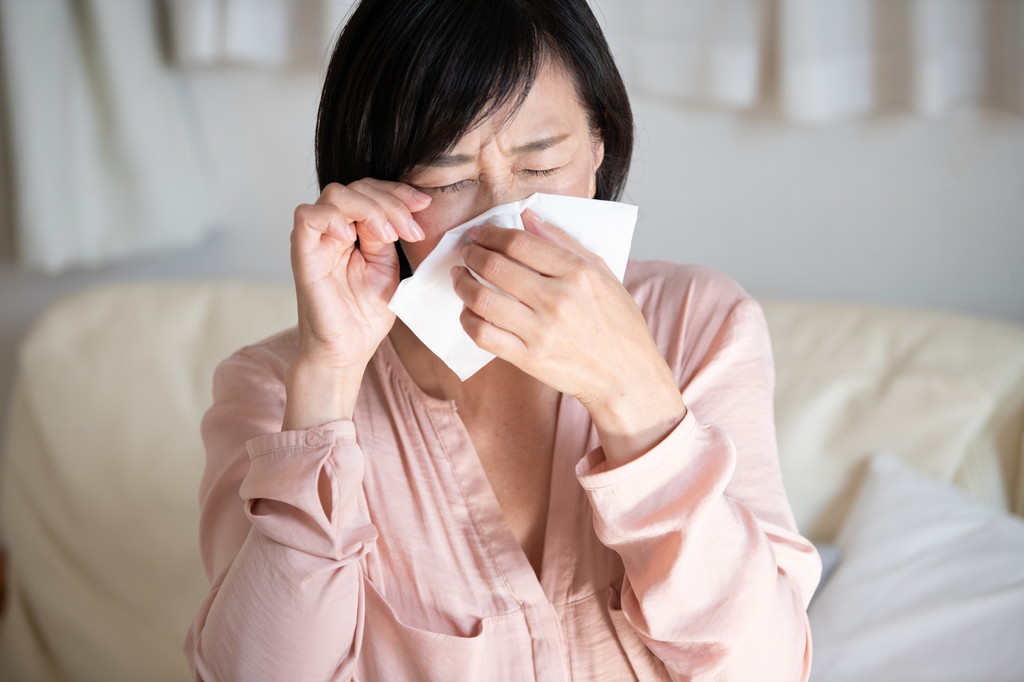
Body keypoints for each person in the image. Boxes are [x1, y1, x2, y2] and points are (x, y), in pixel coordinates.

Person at [184, 0, 822, 679]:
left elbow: (768, 667)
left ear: (600, 146)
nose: (501, 217)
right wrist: (328, 378)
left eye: (542, 163)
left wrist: (635, 398)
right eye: (449, 178)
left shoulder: (698, 321)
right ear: (374, 189)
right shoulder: (278, 387)